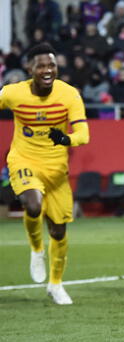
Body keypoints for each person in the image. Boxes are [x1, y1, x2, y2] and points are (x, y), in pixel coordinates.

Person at [0, 43, 90, 304]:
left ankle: (56, 284)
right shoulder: (13, 93)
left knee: (59, 231)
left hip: (56, 170)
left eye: (52, 65)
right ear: (30, 69)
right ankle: (36, 250)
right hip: (24, 159)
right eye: (41, 65)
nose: (47, 70)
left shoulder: (69, 94)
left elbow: (83, 134)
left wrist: (66, 139)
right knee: (32, 203)